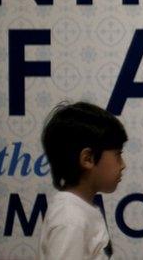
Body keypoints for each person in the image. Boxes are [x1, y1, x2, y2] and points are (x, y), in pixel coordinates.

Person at [38, 101, 127, 260]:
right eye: (118, 155)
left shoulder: (79, 212)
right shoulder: (71, 220)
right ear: (88, 159)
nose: (123, 165)